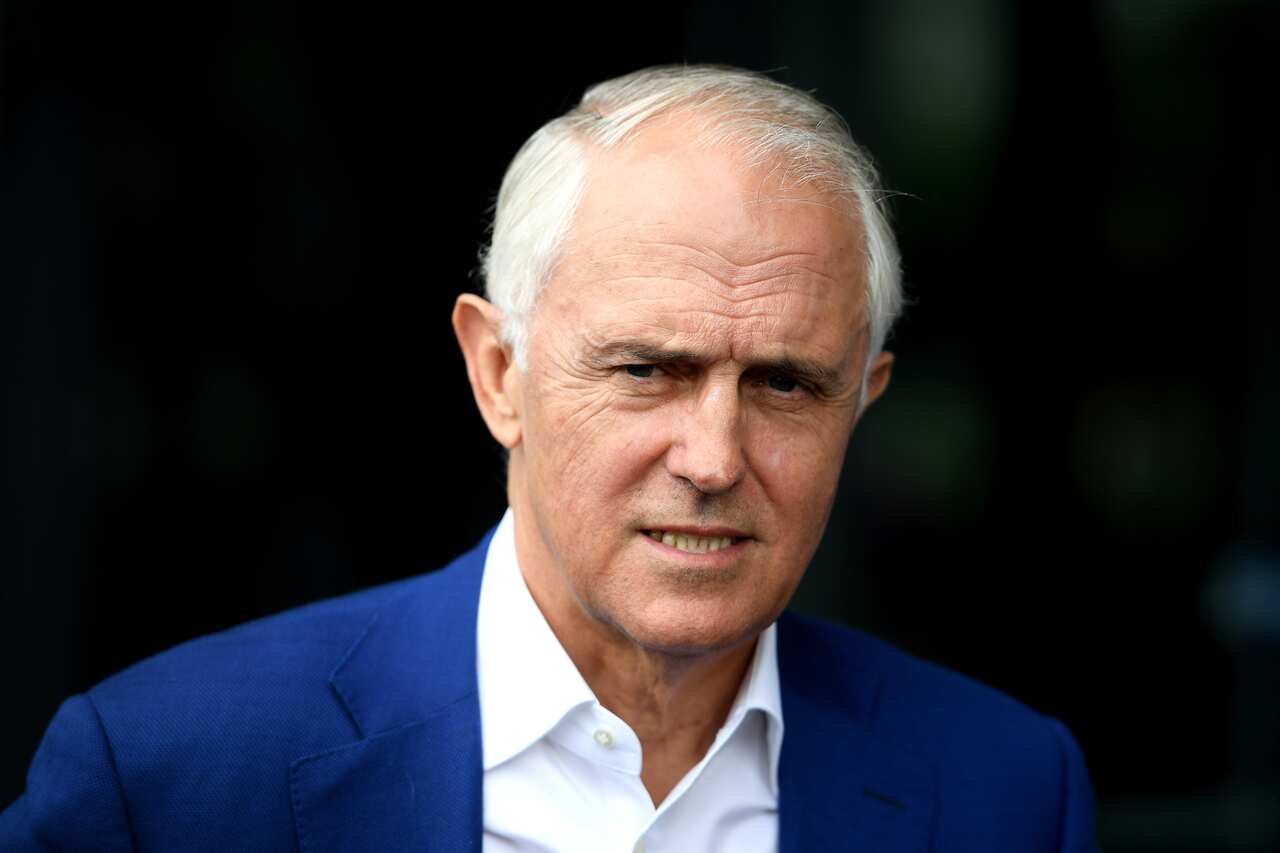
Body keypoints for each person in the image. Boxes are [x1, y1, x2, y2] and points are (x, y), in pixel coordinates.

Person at [0, 64, 1098, 852]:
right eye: (643, 371)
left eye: (783, 383)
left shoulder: (1001, 791)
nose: (713, 456)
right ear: (496, 374)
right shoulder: (166, 777)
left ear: (861, 400)